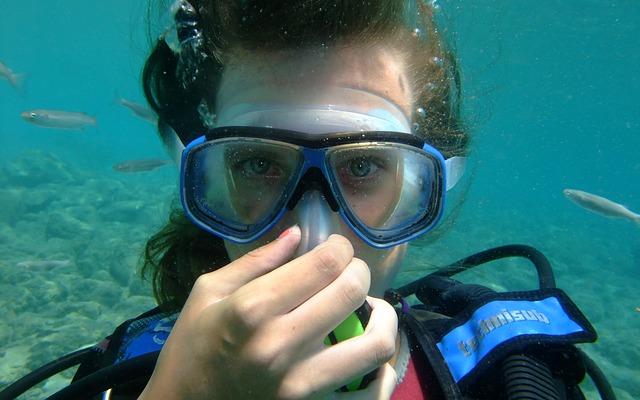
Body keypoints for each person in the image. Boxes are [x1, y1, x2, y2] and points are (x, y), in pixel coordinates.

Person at [61, 1, 600, 400]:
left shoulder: (513, 376)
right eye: (257, 164)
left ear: (424, 189)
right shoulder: (123, 378)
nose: (315, 244)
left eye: (363, 167)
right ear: (205, 182)